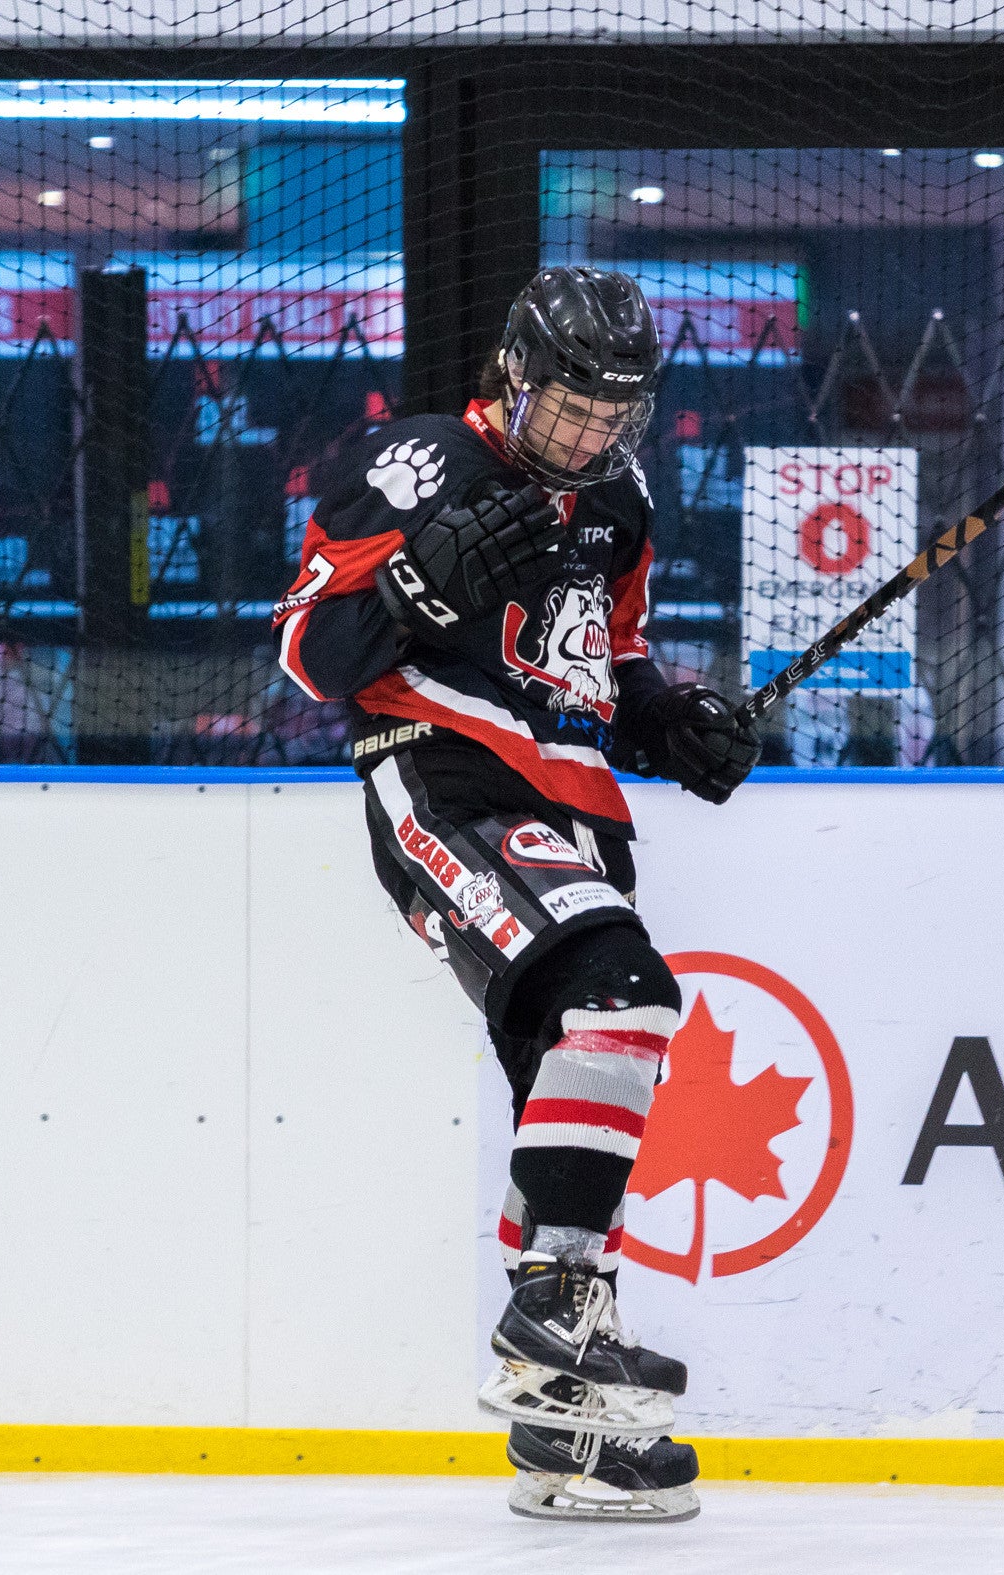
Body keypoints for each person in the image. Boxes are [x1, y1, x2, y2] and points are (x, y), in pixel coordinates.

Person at [270, 265, 760, 1523]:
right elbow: (308, 654)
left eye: (615, 412)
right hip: (446, 782)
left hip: (570, 806)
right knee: (624, 999)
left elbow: (605, 662)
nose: (592, 434)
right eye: (572, 408)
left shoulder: (622, 502)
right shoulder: (424, 463)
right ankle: (551, 1315)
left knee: (571, 1099)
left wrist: (671, 720)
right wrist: (412, 592)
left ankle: (562, 1433)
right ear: (515, 376)